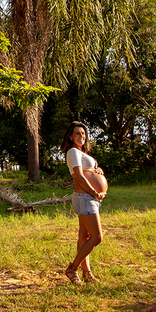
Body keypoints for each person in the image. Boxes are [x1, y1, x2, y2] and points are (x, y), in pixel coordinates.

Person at [61, 121, 107, 285]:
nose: (81, 136)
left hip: (90, 198)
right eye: (78, 133)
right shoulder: (73, 152)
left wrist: (97, 170)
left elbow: (88, 172)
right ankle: (72, 268)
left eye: (83, 133)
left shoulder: (82, 153)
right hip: (85, 197)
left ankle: (87, 274)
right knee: (97, 237)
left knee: (84, 236)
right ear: (71, 136)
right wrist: (94, 192)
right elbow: (78, 177)